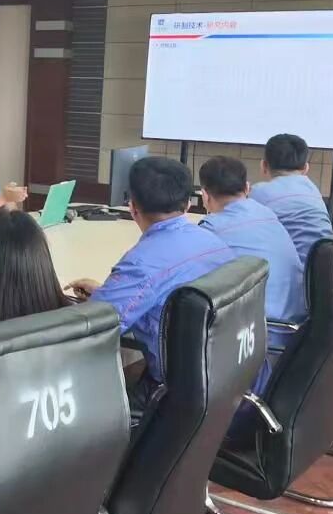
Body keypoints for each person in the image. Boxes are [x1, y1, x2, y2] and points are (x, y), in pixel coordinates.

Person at [67, 156, 236, 409]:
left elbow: (92, 328)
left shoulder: (140, 264)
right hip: (226, 374)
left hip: (177, 393)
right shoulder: (213, 242)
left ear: (132, 207)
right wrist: (108, 292)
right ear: (188, 205)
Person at [198, 156, 307, 399]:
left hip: (260, 343)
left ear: (204, 195)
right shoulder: (265, 213)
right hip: (298, 334)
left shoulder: (212, 229)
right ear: (247, 188)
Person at [249, 133, 333, 264]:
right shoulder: (312, 189)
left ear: (264, 165)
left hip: (291, 270)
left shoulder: (258, 192)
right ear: (306, 168)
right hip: (326, 265)